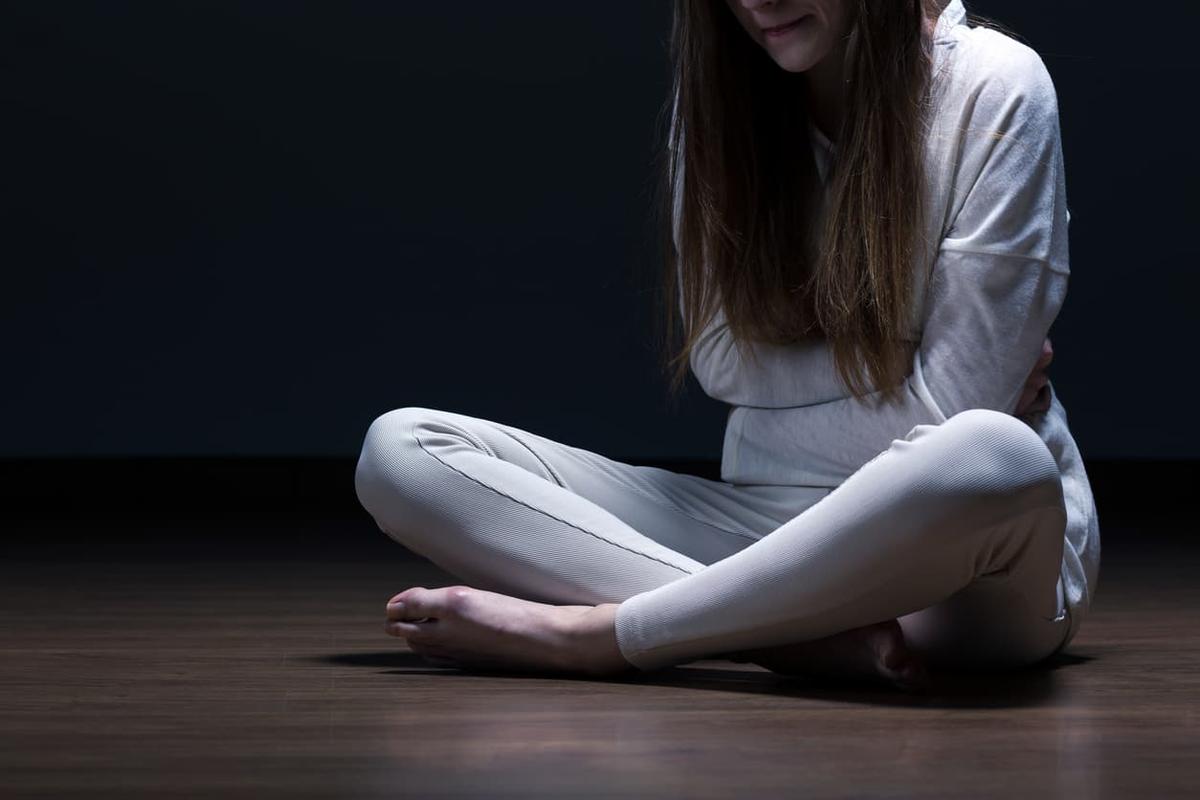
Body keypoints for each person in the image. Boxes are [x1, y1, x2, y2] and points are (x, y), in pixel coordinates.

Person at [353, 0, 1100, 691]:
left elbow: (953, 412)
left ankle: (604, 635)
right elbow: (720, 360)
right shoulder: (726, 98)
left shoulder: (997, 87)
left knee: (992, 455)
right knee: (403, 453)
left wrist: (804, 403)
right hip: (757, 525)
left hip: (960, 579)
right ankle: (777, 635)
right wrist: (903, 368)